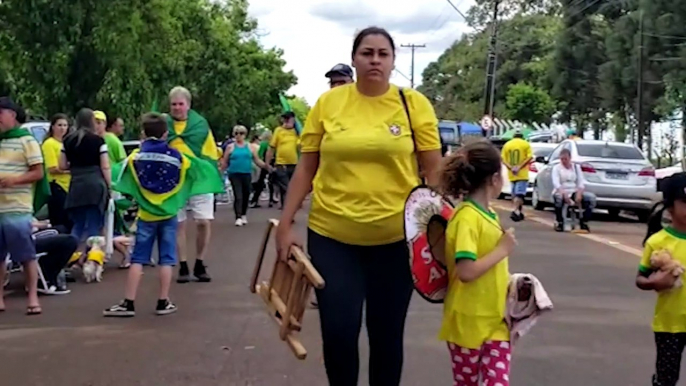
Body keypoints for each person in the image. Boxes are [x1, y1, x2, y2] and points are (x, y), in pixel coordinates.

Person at [275, 26, 443, 386]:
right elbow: (306, 168)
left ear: (393, 61)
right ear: (355, 59)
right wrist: (286, 225)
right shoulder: (329, 104)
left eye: (383, 54)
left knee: (386, 334)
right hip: (333, 235)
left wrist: (452, 226)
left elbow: (435, 172)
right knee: (338, 332)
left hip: (396, 240)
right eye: (367, 53)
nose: (375, 60)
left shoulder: (414, 105)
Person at [103, 112, 223, 317]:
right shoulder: (178, 158)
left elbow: (119, 175)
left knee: (138, 258)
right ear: (166, 133)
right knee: (167, 259)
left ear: (143, 133)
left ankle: (129, 303)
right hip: (169, 215)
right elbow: (195, 172)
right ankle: (163, 301)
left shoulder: (135, 158)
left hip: (146, 216)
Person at [438, 139, 516, 386]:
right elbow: (466, 271)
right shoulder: (466, 218)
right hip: (467, 322)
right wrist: (502, 250)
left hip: (495, 320)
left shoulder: (490, 215)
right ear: (494, 179)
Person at [166, 86, 222, 283]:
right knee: (179, 223)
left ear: (188, 105)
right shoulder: (164, 125)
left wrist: (212, 171)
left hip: (198, 179)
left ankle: (199, 262)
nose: (177, 108)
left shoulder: (200, 124)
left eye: (181, 104)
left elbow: (210, 151)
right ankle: (182, 265)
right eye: (174, 104)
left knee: (203, 221)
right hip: (174, 180)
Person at [637, 172, 686, 386]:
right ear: (670, 207)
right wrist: (654, 283)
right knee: (667, 378)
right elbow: (640, 278)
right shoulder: (657, 242)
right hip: (669, 324)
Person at [0, 97, 45, 315]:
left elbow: (38, 172)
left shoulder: (27, 140)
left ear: (12, 115)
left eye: (1, 113)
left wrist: (14, 180)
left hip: (18, 206)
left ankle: (33, 297)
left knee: (26, 254)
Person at [60, 109, 111, 259]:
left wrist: (76, 167)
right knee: (95, 224)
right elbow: (105, 166)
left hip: (76, 184)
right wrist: (109, 186)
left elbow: (62, 165)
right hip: (95, 184)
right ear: (92, 122)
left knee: (78, 224)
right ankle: (93, 259)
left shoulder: (67, 141)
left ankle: (68, 257)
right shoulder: (99, 141)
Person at [219, 125, 270, 226]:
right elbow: (225, 162)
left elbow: (257, 160)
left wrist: (266, 166)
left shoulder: (250, 147)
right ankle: (238, 217)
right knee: (238, 195)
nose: (239, 136)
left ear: (245, 135)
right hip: (234, 173)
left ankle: (243, 214)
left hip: (246, 173)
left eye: (241, 133)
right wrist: (219, 172)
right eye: (236, 133)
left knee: (246, 194)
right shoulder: (230, 147)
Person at [552, 148, 596, 232]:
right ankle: (560, 222)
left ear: (570, 158)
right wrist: (564, 195)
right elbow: (556, 183)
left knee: (590, 199)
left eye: (566, 159)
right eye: (562, 159)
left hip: (573, 190)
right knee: (559, 199)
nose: (564, 161)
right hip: (561, 191)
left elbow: (580, 182)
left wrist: (579, 194)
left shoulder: (576, 167)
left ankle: (584, 221)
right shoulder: (556, 168)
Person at [42, 113, 72, 231]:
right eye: (59, 125)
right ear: (53, 127)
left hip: (69, 187)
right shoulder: (49, 143)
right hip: (57, 186)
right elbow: (52, 168)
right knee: (60, 221)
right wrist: (69, 170)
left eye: (65, 125)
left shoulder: (66, 143)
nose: (62, 128)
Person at [32, 219, 77, 295]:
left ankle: (50, 272)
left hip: (29, 235)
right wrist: (41, 224)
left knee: (62, 228)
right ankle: (47, 274)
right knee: (69, 241)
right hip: (26, 239)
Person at [266, 111, 299, 209]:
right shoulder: (278, 131)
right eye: (285, 119)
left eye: (288, 118)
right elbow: (272, 147)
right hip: (281, 164)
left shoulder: (297, 132)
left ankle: (287, 209)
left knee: (290, 189)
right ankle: (288, 211)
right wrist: (267, 164)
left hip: (294, 164)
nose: (286, 121)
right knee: (286, 188)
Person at [501, 128, 532, 222]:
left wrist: (510, 167)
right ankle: (515, 211)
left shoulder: (507, 145)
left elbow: (503, 158)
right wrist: (519, 167)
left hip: (511, 174)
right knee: (520, 194)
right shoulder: (525, 144)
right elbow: (529, 157)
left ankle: (518, 211)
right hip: (522, 173)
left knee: (515, 194)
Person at [250, 131, 277, 208]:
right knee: (272, 182)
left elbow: (260, 155)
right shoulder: (274, 143)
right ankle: (272, 199)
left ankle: (254, 200)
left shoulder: (263, 144)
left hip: (265, 164)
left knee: (260, 182)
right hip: (274, 163)